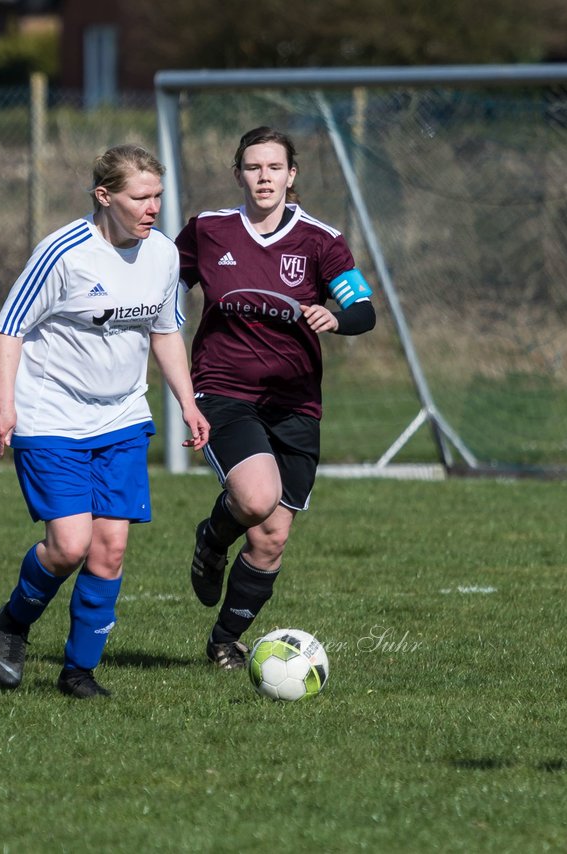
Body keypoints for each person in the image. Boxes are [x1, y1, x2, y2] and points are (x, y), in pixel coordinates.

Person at [0, 143, 209, 699]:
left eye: (158, 196)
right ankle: (14, 623)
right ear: (104, 196)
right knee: (69, 545)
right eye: (141, 197)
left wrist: (188, 401)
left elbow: (165, 332)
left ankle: (78, 672)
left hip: (122, 416)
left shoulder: (162, 255)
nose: (153, 207)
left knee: (110, 547)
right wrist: (3, 403)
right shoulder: (63, 253)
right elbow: (10, 326)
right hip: (51, 412)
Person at [174, 126, 376, 671]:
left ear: (292, 175)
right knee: (257, 498)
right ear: (238, 172)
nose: (263, 178)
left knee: (272, 536)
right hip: (224, 389)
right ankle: (213, 539)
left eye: (273, 168)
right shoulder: (208, 231)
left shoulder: (320, 240)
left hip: (295, 402)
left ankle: (225, 640)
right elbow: (163, 292)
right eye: (252, 167)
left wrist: (336, 315)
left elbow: (364, 307)